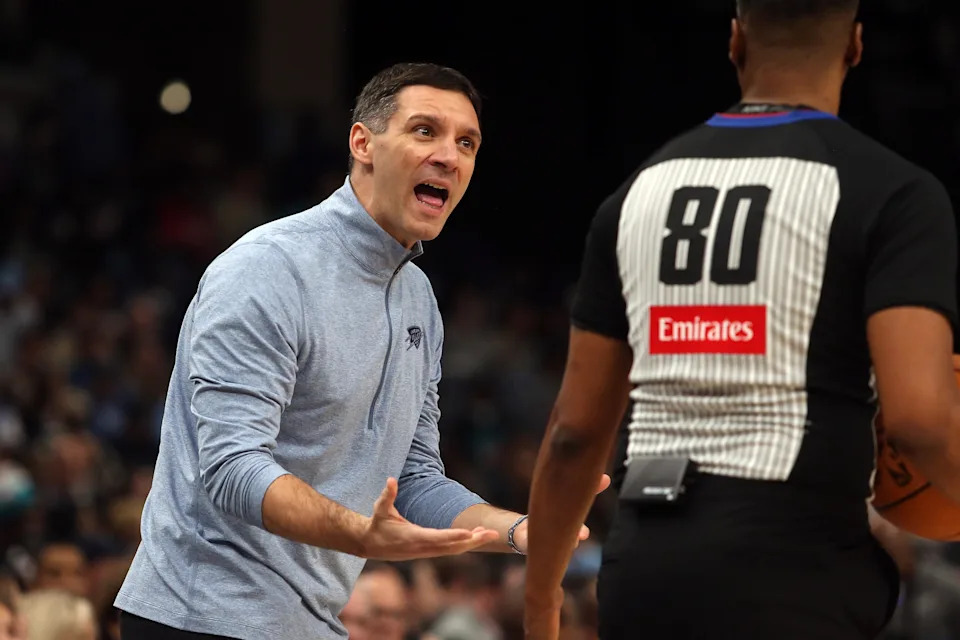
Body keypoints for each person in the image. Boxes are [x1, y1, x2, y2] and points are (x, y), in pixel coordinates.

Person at [523, 1, 960, 639]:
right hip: (796, 568)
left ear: (735, 41)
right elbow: (921, 421)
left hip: (644, 571)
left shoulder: (637, 192)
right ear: (855, 48)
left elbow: (573, 432)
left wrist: (540, 603)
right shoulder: (894, 192)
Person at [114, 62, 596, 640]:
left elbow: (414, 480)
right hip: (199, 618)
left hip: (311, 624)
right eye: (425, 131)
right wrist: (361, 535)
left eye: (467, 142)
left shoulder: (419, 300)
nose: (450, 155)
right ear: (363, 143)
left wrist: (519, 531)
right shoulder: (267, 268)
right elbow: (232, 470)